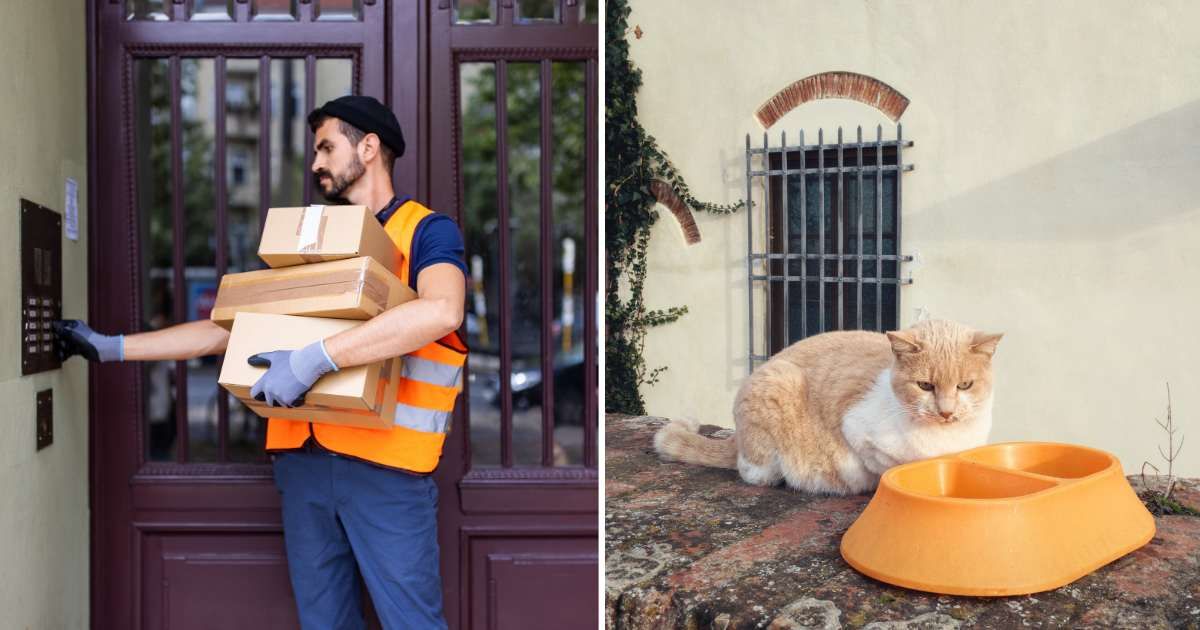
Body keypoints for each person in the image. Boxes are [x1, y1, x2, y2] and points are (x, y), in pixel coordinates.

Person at [56, 95, 468, 630]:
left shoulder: (426, 231)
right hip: (303, 468)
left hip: (388, 471)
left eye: (326, 147)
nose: (316, 162)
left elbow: (442, 310)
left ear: (369, 148)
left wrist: (315, 358)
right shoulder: (315, 247)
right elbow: (227, 330)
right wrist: (111, 347)